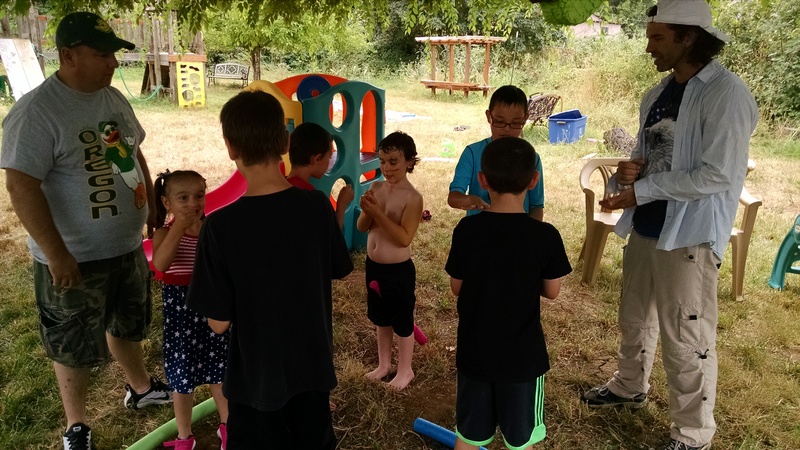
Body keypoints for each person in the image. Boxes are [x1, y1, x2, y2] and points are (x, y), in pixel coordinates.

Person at [580, 1, 758, 449]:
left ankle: (693, 434)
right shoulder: (658, 93)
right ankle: (628, 386)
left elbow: (718, 174)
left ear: (689, 37)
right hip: (647, 225)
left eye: (658, 38)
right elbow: (649, 157)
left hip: (690, 233)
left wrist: (643, 190)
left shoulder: (726, 95)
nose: (649, 47)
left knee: (687, 334)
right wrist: (629, 175)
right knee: (634, 316)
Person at [0, 11, 173, 450]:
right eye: (102, 54)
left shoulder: (112, 98)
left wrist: (150, 204)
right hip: (74, 257)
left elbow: (133, 151)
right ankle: (76, 425)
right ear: (68, 55)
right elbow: (20, 185)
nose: (113, 62)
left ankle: (140, 388)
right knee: (72, 343)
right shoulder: (37, 111)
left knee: (127, 324)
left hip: (126, 246)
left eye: (114, 54)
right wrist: (56, 253)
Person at [186, 90, 353, 449]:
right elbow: (339, 267)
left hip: (256, 380)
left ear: (231, 147)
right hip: (312, 369)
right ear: (285, 142)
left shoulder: (220, 227)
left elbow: (218, 323)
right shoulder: (316, 206)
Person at [445, 137, 571, 450]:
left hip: (474, 353)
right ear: (534, 180)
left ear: (482, 179)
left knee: (468, 437)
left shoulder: (467, 231)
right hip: (522, 360)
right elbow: (552, 291)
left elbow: (456, 287)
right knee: (520, 441)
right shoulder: (545, 235)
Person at [151, 170, 229, 450]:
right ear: (167, 203)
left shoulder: (212, 229)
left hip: (211, 310)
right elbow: (161, 265)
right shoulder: (164, 234)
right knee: (181, 377)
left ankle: (228, 426)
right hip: (181, 317)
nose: (193, 203)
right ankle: (185, 436)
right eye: (182, 198)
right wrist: (179, 228)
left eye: (199, 195)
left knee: (220, 372)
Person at [356, 131, 423, 391]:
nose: (387, 168)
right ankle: (384, 365)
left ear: (409, 162)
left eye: (393, 162)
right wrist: (367, 211)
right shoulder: (376, 188)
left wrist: (378, 213)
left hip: (398, 271)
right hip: (374, 266)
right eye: (383, 161)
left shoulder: (412, 197)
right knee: (380, 318)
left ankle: (406, 370)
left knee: (402, 320)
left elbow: (404, 238)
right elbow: (363, 227)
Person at [447, 85, 545, 221]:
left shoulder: (531, 158)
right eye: (499, 121)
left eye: (515, 123)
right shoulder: (473, 153)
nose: (507, 129)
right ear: (489, 116)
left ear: (525, 119)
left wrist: (530, 230)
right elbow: (453, 197)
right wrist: (469, 200)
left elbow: (537, 206)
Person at [286, 122, 355, 229]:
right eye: (329, 157)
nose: (329, 162)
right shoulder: (312, 199)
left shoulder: (279, 186)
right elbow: (333, 237)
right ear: (317, 159)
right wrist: (342, 204)